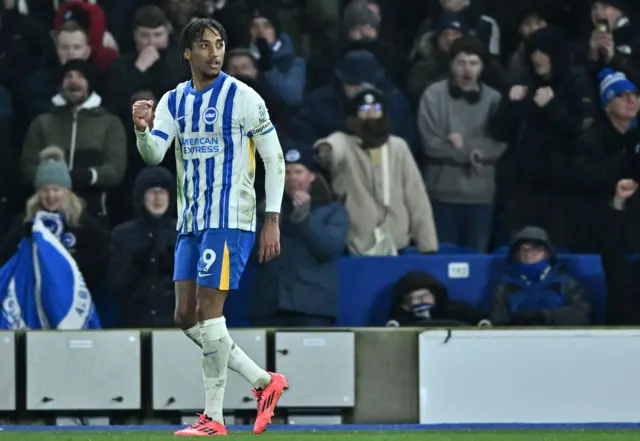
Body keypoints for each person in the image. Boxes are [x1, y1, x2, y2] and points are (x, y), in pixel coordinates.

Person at [131, 18, 287, 436]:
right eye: (204, 46)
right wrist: (142, 129)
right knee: (185, 316)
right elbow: (153, 154)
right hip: (191, 221)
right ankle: (263, 381)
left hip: (230, 218)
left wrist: (270, 218)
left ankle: (213, 418)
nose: (214, 52)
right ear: (187, 53)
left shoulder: (243, 97)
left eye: (219, 44)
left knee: (209, 312)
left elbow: (274, 159)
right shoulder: (173, 100)